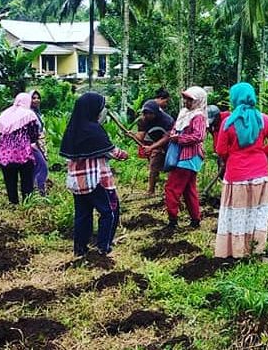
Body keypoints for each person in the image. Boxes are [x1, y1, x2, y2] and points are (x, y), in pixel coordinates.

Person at [214, 83, 268, 258]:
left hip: (236, 174)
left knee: (236, 213)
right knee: (258, 211)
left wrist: (235, 154)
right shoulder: (263, 119)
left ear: (234, 99)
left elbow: (220, 150)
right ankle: (256, 249)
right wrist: (259, 152)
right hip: (260, 174)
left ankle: (236, 251)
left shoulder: (228, 123)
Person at [60, 92, 128, 257]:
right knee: (109, 211)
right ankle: (103, 248)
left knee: (82, 215)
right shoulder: (94, 129)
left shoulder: (73, 128)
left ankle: (80, 249)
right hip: (97, 179)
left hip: (78, 181)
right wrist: (124, 154)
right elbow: (111, 152)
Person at [155, 86, 208, 230]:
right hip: (181, 156)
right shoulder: (184, 113)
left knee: (172, 188)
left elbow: (199, 136)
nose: (186, 102)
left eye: (190, 99)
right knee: (188, 189)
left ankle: (172, 221)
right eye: (186, 98)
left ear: (198, 101)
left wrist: (180, 139)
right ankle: (195, 220)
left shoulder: (198, 116)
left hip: (189, 156)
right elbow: (175, 129)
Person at [0, 93, 41, 204]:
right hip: (23, 152)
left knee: (9, 179)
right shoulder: (29, 114)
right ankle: (27, 202)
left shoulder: (4, 114)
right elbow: (34, 132)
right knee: (26, 179)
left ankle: (13, 201)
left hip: (4, 153)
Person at [137, 100, 175, 196]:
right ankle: (151, 190)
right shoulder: (143, 121)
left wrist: (151, 147)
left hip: (171, 145)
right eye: (145, 113)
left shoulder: (167, 120)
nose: (147, 116)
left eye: (150, 113)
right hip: (156, 145)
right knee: (153, 166)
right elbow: (140, 137)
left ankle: (171, 190)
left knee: (172, 167)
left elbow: (167, 137)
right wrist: (132, 135)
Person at [30, 90, 49, 196]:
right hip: (35, 143)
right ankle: (40, 191)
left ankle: (36, 190)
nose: (36, 100)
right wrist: (38, 144)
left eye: (38, 97)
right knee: (42, 166)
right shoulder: (30, 113)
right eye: (33, 98)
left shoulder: (37, 112)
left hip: (41, 141)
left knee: (37, 166)